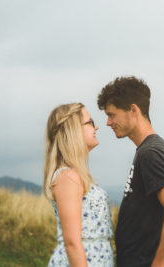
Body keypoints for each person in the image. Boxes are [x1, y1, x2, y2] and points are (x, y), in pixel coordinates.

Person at [97, 76, 164, 267]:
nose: (107, 122)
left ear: (133, 110)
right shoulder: (147, 150)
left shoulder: (150, 153)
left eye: (111, 114)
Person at [43, 103, 114, 267]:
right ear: (73, 130)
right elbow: (72, 243)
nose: (96, 127)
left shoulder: (75, 174)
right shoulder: (67, 177)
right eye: (90, 122)